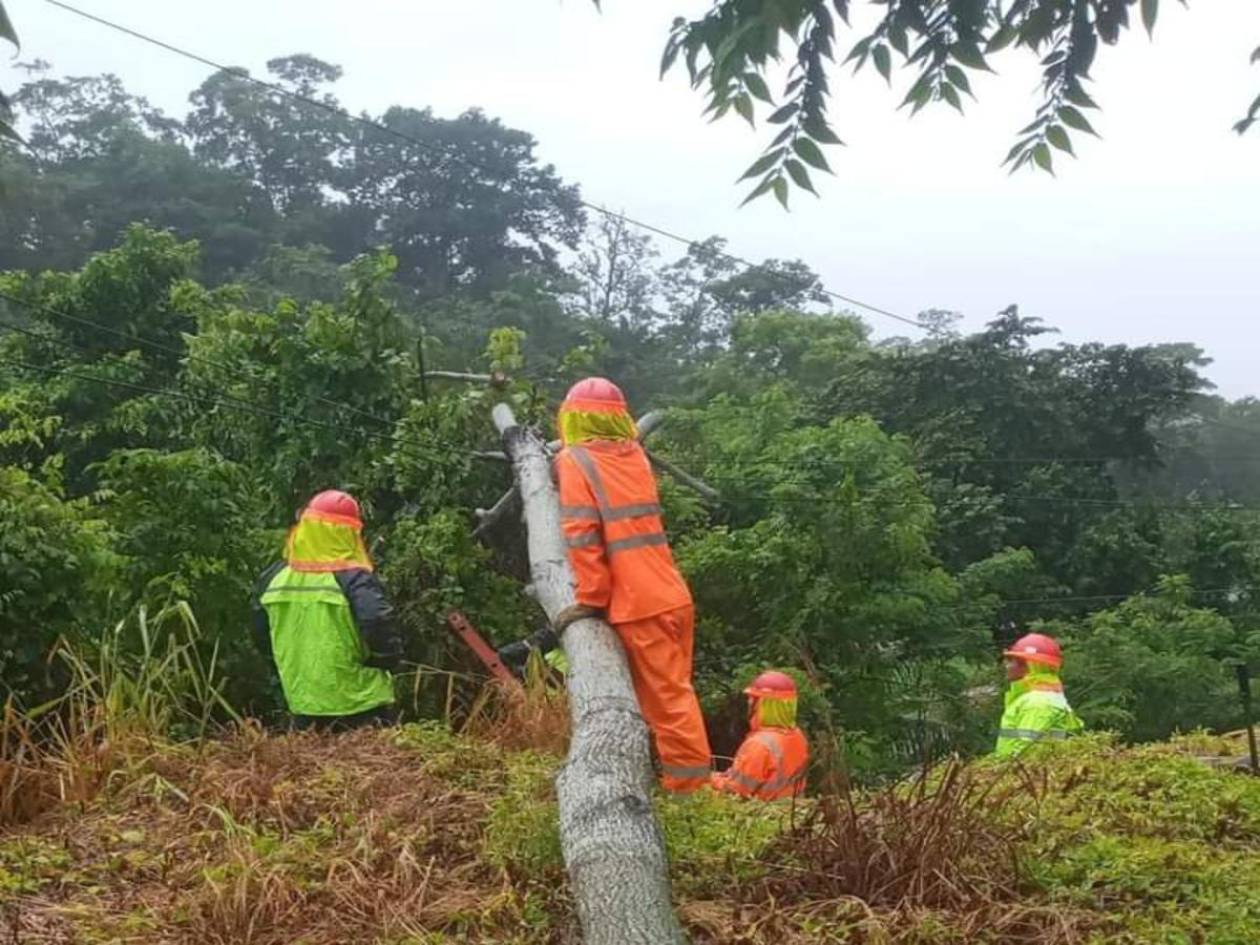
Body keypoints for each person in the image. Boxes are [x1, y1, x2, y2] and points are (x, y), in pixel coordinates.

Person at [550, 377, 713, 792]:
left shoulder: (574, 460)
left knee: (670, 705)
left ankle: (691, 798)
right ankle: (682, 786)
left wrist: (589, 600)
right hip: (670, 595)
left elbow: (583, 537)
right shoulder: (634, 454)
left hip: (638, 604)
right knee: (676, 698)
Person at [252, 489, 402, 732]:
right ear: (351, 533)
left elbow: (260, 635)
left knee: (312, 768)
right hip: (361, 700)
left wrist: (283, 666)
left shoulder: (274, 577)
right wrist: (385, 661)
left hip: (302, 698)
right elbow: (378, 623)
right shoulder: (355, 580)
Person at [711, 670, 809, 800]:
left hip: (760, 814)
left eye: (753, 698)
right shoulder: (798, 736)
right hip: (788, 811)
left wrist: (709, 780)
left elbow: (736, 791)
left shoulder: (759, 744)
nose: (749, 702)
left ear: (766, 704)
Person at [995, 632, 1084, 758]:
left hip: (1022, 775)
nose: (1007, 666)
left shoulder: (1037, 703)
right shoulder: (1043, 697)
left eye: (1011, 660)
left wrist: (999, 773)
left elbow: (1025, 752)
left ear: (1029, 666)